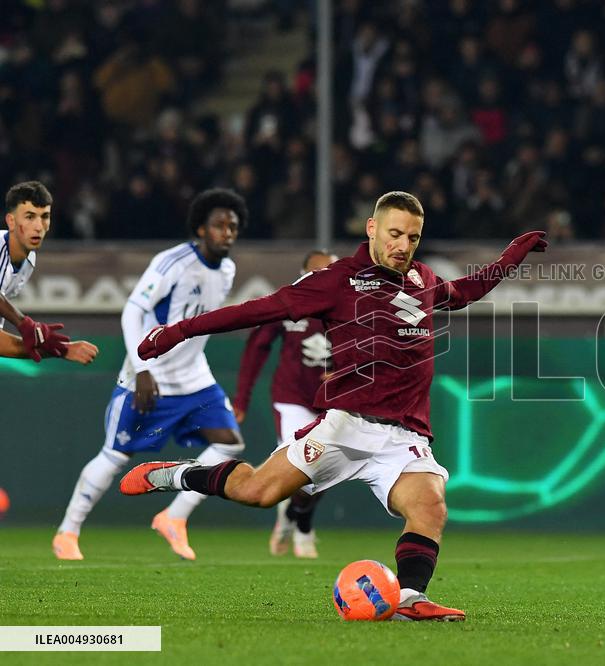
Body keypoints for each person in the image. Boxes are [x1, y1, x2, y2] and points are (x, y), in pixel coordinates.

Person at [119, 191, 547, 620]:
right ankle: (176, 475)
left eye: (413, 238)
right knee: (257, 492)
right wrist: (178, 331)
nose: (403, 246)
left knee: (429, 505)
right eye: (395, 234)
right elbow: (259, 311)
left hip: (403, 435)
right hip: (345, 427)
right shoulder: (337, 280)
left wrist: (511, 256)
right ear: (372, 228)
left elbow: (464, 291)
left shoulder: (423, 280)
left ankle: (410, 598)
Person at [53, 189, 249, 561]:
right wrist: (142, 368)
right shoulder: (172, 262)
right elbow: (132, 310)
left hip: (194, 378)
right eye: (219, 225)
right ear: (201, 229)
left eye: (233, 226)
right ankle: (68, 531)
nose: (227, 232)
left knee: (229, 442)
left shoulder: (227, 270)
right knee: (115, 455)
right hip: (149, 376)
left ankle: (174, 517)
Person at [233, 250, 337, 559]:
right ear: (303, 274)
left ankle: (292, 518)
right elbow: (257, 348)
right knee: (302, 464)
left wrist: (346, 372)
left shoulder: (350, 303)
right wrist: (242, 398)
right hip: (292, 397)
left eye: (328, 272)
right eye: (315, 273)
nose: (322, 279)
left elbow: (370, 350)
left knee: (327, 470)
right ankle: (303, 529)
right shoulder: (290, 301)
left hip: (332, 402)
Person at [2, 181, 98, 363]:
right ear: (11, 221)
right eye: (30, 217)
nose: (38, 226)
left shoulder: (28, 260)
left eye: (44, 216)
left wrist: (62, 349)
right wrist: (23, 323)